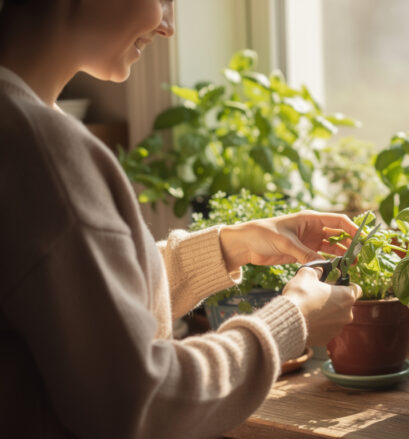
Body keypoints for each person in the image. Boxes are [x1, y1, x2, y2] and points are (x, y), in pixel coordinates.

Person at [0, 0, 362, 437]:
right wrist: (293, 321)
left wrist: (231, 245)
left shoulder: (22, 125)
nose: (169, 26)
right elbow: (142, 400)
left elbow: (78, 306)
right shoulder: (43, 152)